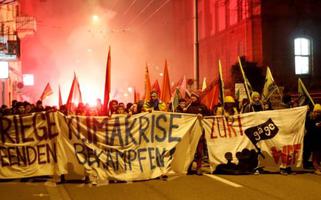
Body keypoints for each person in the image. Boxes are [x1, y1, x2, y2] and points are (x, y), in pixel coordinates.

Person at [186, 91, 210, 175]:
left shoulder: (203, 107)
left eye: (194, 97)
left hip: (200, 132)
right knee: (190, 150)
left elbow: (210, 115)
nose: (192, 98)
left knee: (199, 151)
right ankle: (189, 167)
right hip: (191, 132)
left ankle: (199, 167)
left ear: (197, 98)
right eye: (191, 97)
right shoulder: (189, 107)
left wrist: (202, 115)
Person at [307, 104, 321, 175]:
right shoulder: (310, 118)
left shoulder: (320, 118)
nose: (318, 113)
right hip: (313, 139)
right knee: (315, 154)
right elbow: (309, 128)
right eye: (316, 112)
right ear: (314, 112)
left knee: (318, 154)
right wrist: (316, 126)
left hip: (319, 139)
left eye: (319, 112)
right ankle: (316, 168)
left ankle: (318, 166)